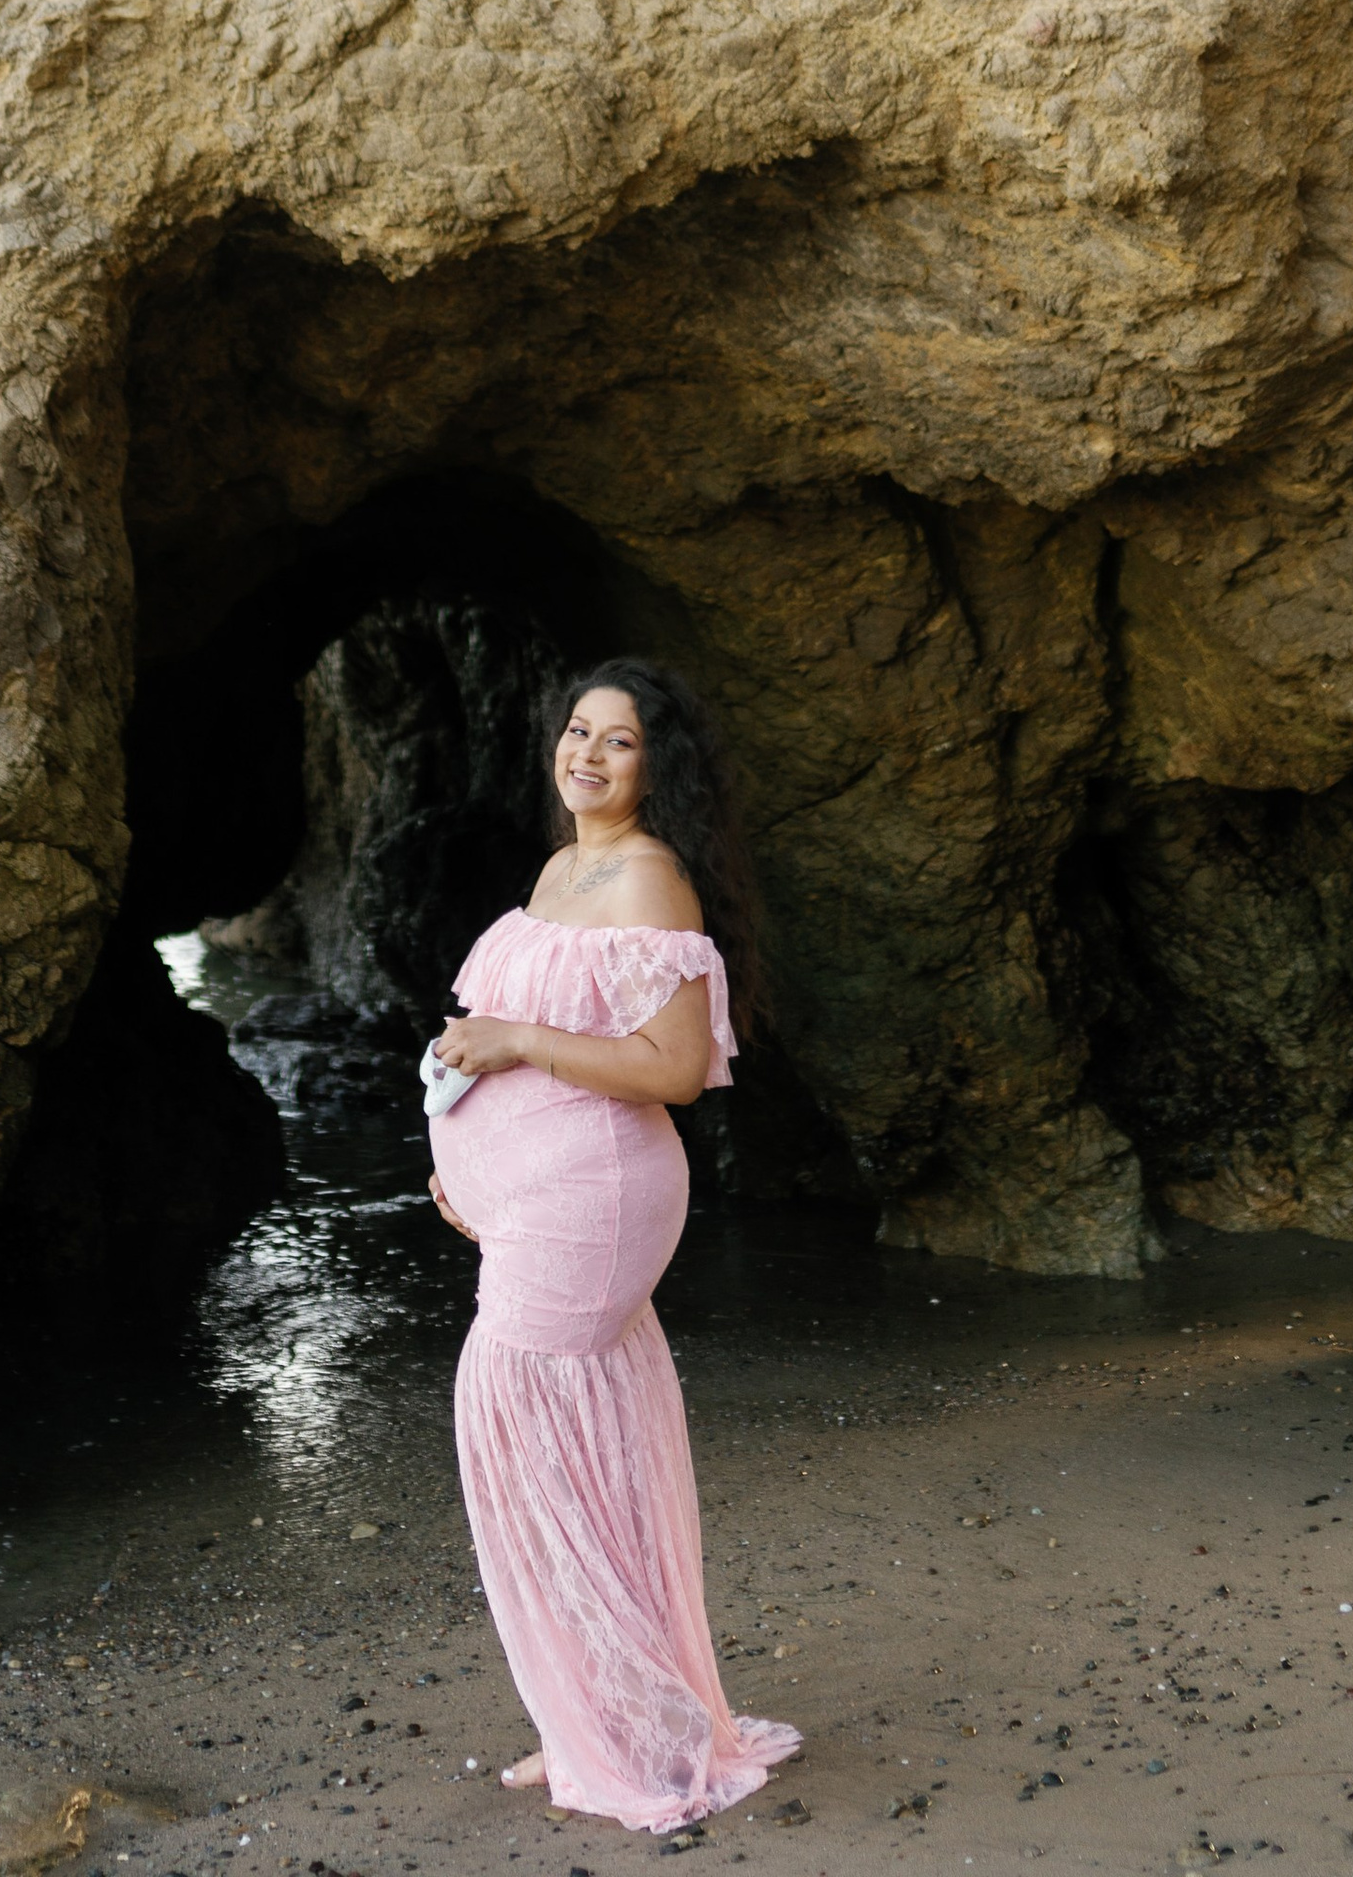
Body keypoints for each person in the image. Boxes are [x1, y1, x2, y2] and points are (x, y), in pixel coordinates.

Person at [427, 660, 801, 1832]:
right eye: (576, 732)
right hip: (540, 1204)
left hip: (596, 1197)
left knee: (527, 1436)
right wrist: (467, 1164)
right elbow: (492, 1045)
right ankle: (596, 1713)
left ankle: (628, 1739)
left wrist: (517, 1042)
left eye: (620, 742)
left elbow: (672, 1069)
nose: (586, 755)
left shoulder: (651, 882)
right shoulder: (559, 867)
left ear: (659, 765)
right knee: (579, 1459)